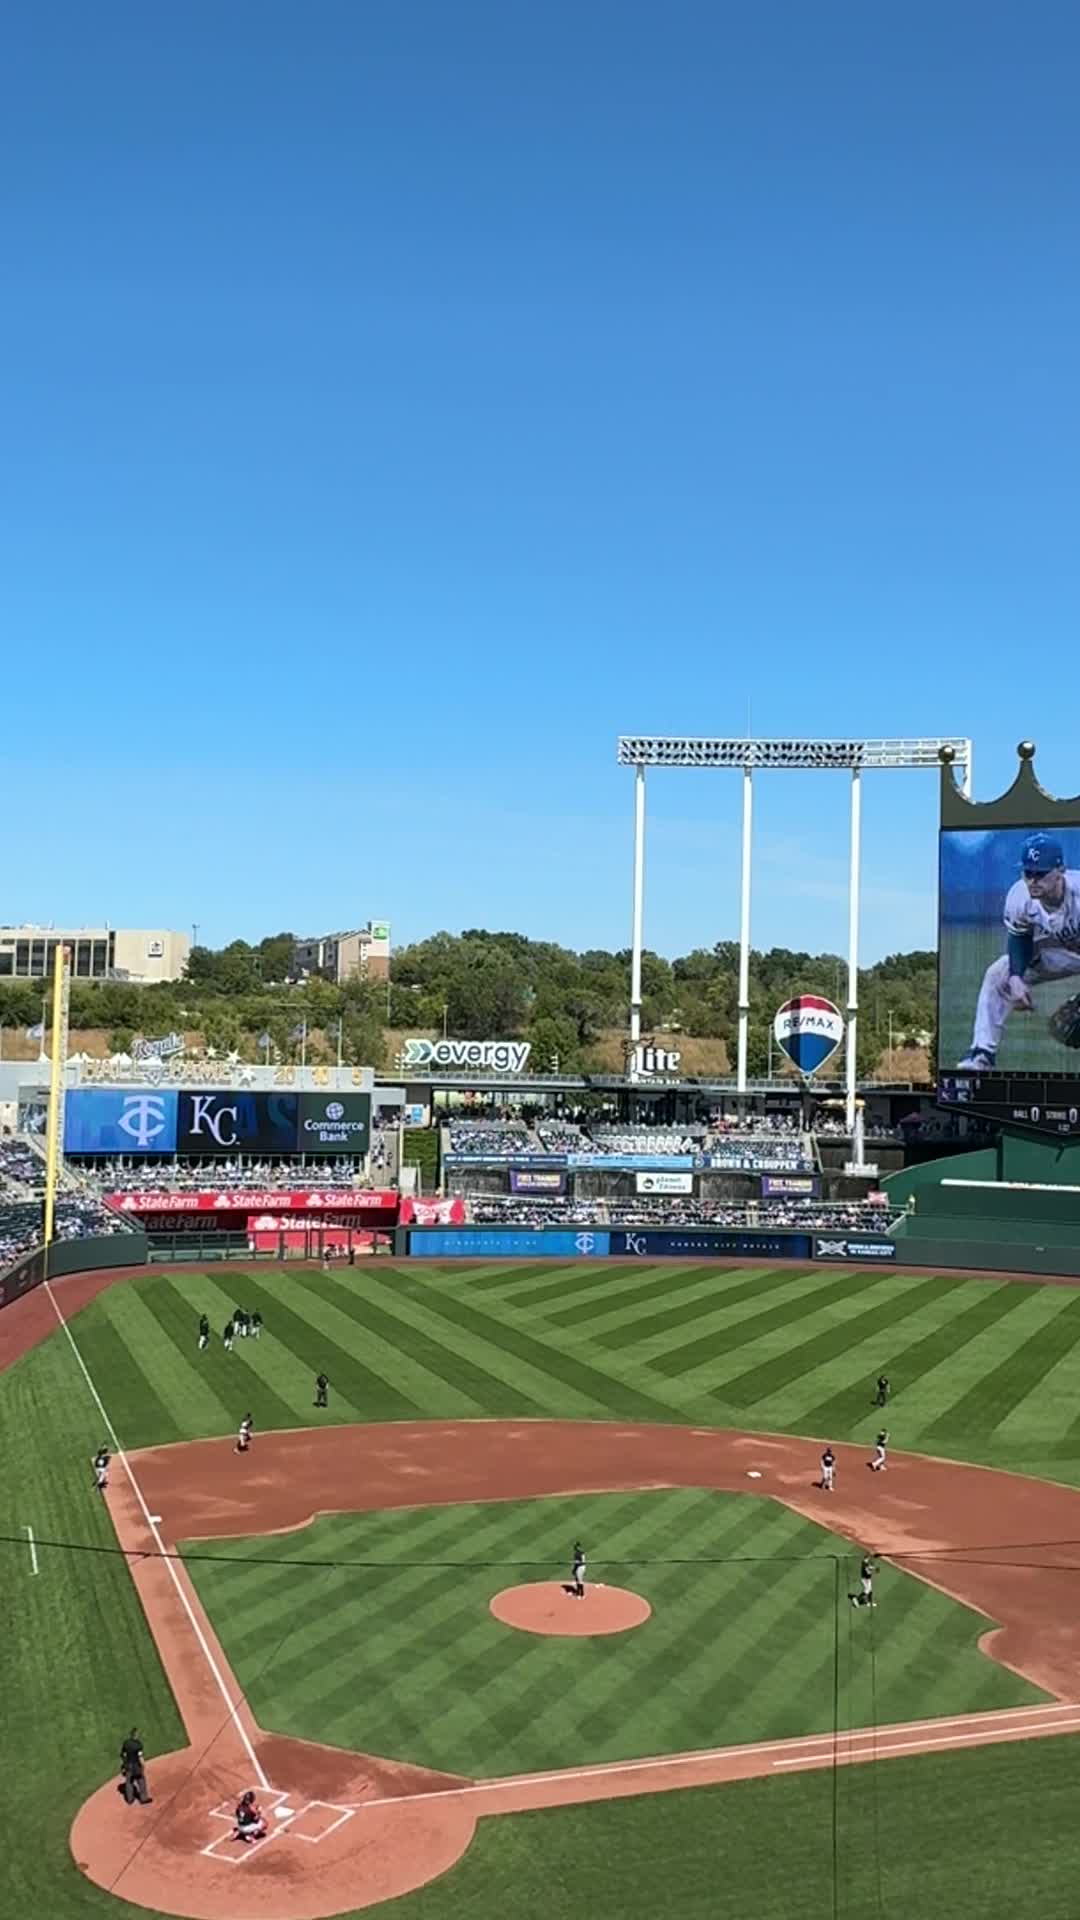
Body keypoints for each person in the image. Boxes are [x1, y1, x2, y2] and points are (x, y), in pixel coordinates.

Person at [958, 833, 1080, 1070]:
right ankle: (981, 1054)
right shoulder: (1020, 896)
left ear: (1060, 871)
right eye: (1028, 873)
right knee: (999, 974)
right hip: (1065, 952)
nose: (1033, 880)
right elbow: (1020, 937)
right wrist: (1016, 977)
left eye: (1040, 873)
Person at [119, 1728, 152, 1804]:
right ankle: (143, 1798)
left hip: (128, 1766)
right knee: (141, 1780)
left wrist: (124, 1765)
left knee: (129, 1782)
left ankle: (130, 1799)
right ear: (136, 1735)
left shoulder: (126, 1743)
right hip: (136, 1766)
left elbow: (123, 1755)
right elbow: (140, 1757)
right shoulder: (138, 1745)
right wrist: (143, 1766)